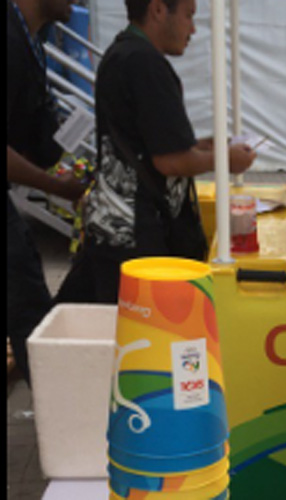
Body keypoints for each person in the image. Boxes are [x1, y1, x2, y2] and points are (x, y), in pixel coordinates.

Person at [55, 0, 256, 305]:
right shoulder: (145, 64)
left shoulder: (120, 54)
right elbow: (171, 161)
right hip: (137, 233)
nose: (193, 29)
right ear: (158, 10)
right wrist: (227, 159)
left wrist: (204, 146)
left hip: (111, 225)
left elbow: (148, 144)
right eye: (188, 15)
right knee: (135, 322)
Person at [6, 0, 88, 384]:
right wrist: (56, 186)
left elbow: (39, 137)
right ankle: (55, 398)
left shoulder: (32, 41)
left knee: (27, 294)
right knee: (27, 300)